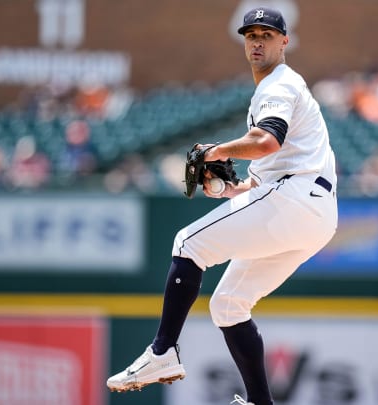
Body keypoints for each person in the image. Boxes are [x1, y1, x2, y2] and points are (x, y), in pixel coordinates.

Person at [106, 7, 338, 405]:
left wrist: (214, 149)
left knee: (188, 242)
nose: (258, 42)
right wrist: (236, 189)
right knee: (228, 305)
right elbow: (270, 168)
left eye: (267, 34)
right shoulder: (279, 88)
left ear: (285, 41)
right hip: (311, 212)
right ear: (244, 43)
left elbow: (267, 142)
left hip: (296, 199)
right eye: (252, 35)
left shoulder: (279, 85)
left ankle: (162, 352)